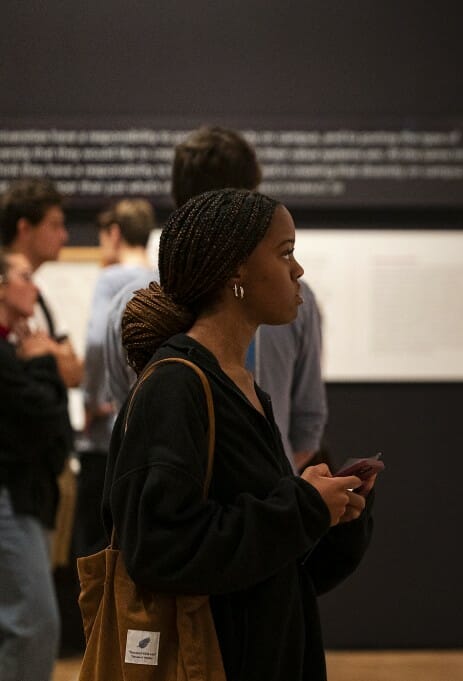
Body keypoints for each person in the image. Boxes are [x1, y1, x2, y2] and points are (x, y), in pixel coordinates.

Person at [103, 189, 374, 681]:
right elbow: (161, 549)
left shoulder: (243, 385)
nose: (298, 271)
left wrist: (330, 514)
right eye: (285, 252)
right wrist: (301, 507)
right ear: (236, 272)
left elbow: (274, 570)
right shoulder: (175, 386)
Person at [101, 126, 326, 471]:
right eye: (285, 253)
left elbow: (124, 412)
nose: (296, 270)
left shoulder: (128, 303)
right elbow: (306, 425)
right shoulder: (146, 318)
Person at [0, 249, 74, 680]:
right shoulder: (10, 355)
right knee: (34, 623)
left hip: (24, 499)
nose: (36, 285)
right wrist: (45, 360)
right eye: (25, 275)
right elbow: (48, 419)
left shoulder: (15, 349)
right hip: (11, 500)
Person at [78, 199, 157, 556]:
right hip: (150, 428)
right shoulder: (162, 278)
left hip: (110, 429)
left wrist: (91, 401)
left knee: (98, 547)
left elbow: (96, 342)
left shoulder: (112, 280)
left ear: (114, 233)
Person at [0, 178, 83, 387]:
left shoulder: (42, 295)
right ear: (25, 228)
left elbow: (75, 373)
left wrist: (47, 349)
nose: (64, 236)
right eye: (54, 225)